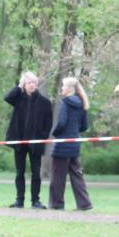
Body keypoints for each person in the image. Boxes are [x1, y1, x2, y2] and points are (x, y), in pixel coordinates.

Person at [4, 72, 53, 209]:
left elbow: (48, 124)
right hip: (19, 142)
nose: (31, 85)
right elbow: (7, 97)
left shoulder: (44, 102)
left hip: (35, 143)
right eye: (28, 82)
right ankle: (19, 200)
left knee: (36, 173)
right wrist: (18, 86)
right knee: (20, 172)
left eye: (33, 82)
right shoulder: (18, 98)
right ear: (24, 85)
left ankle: (35, 201)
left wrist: (42, 137)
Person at [49, 77, 93, 211]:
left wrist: (55, 133)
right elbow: (84, 126)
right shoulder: (82, 104)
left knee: (58, 176)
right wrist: (74, 131)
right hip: (75, 143)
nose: (62, 89)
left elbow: (61, 122)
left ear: (69, 89)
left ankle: (56, 204)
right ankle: (84, 204)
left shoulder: (66, 103)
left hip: (62, 144)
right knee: (77, 175)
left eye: (63, 86)